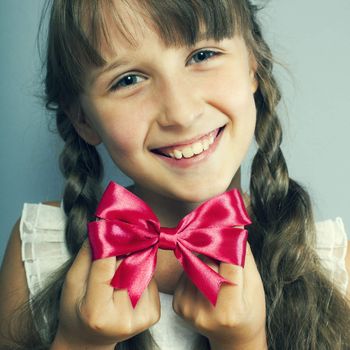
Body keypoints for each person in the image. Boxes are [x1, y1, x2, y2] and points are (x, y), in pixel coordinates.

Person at [0, 0, 349, 349]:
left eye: (202, 56)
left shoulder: (326, 260)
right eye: (129, 80)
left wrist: (243, 342)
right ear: (83, 119)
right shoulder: (38, 247)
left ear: (253, 66)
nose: (180, 113)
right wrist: (80, 342)